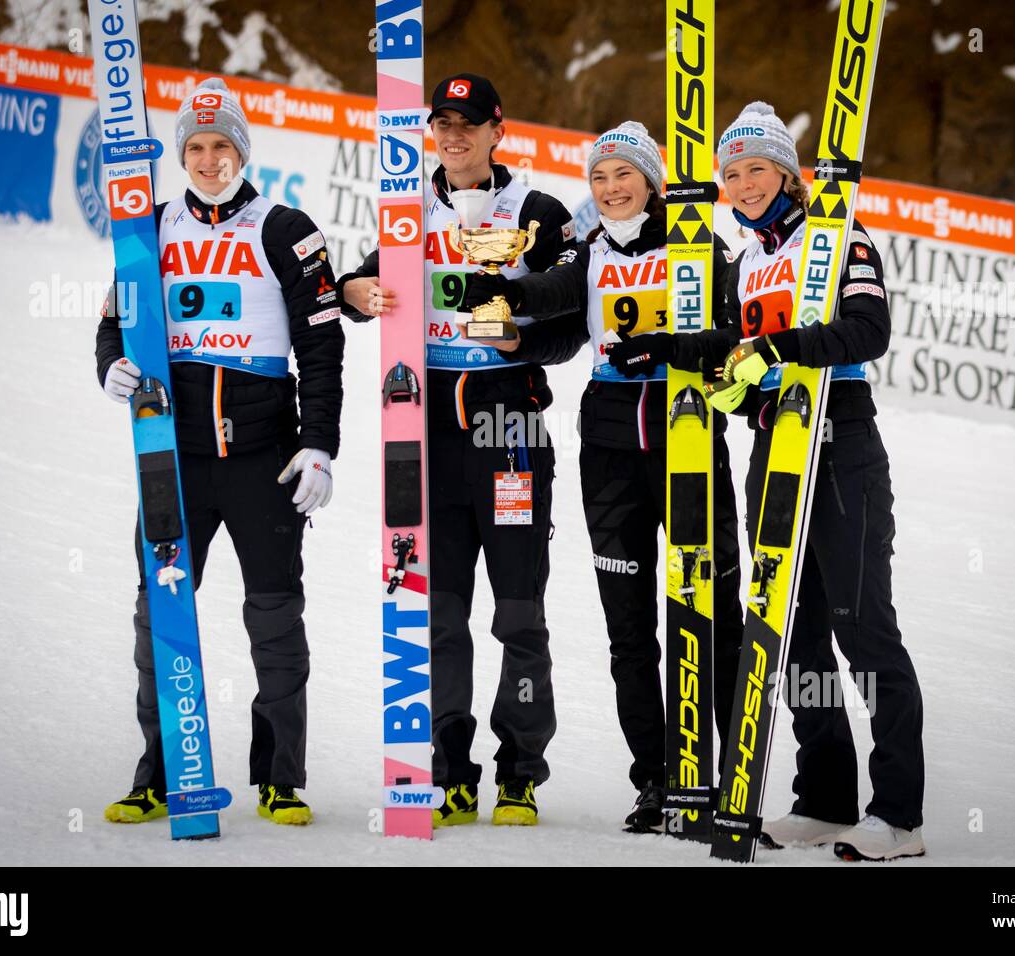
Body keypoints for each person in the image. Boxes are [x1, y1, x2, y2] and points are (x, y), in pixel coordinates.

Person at [463, 121, 746, 833]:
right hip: (610, 454)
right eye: (599, 177)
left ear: (650, 182)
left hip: (687, 443)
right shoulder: (590, 254)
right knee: (629, 631)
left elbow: (735, 336)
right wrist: (502, 302)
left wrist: (675, 347)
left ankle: (719, 776)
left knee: (710, 619)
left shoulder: (698, 249)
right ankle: (655, 780)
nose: (612, 188)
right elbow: (556, 304)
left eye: (625, 174)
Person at [674, 101, 926, 861]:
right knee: (792, 631)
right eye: (731, 172)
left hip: (841, 438)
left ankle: (899, 818)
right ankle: (823, 798)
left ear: (787, 172)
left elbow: (868, 333)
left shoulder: (836, 237)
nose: (743, 183)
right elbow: (754, 371)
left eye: (756, 167)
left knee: (863, 628)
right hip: (774, 441)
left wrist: (773, 348)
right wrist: (735, 390)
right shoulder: (745, 260)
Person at [96, 78, 346, 827]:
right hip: (171, 461)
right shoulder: (151, 228)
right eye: (197, 148)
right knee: (160, 616)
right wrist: (107, 360)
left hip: (262, 463)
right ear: (182, 155)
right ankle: (163, 771)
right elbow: (117, 317)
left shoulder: (286, 229)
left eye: (222, 146)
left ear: (243, 150)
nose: (209, 160)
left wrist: (319, 448)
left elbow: (322, 349)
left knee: (274, 621)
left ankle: (279, 779)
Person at [337, 74, 585, 827]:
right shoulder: (409, 212)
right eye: (442, 123)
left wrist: (518, 334)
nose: (453, 136)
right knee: (437, 612)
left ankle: (519, 772)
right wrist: (354, 294)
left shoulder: (537, 212)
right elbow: (361, 278)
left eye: (468, 124)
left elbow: (573, 318)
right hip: (426, 434)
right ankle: (447, 769)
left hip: (508, 426)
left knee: (518, 612)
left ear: (497, 130)